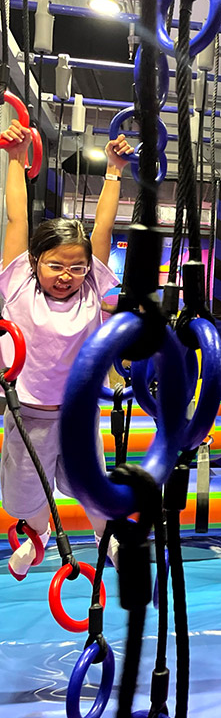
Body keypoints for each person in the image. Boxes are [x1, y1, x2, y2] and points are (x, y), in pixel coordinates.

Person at [0, 117, 133, 579]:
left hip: (77, 414)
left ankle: (107, 539)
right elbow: (17, 218)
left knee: (91, 487)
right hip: (29, 415)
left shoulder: (91, 288)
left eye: (76, 268)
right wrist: (15, 159)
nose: (67, 276)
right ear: (36, 262)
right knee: (28, 493)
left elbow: (103, 226)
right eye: (56, 266)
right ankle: (35, 540)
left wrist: (114, 169)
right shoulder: (19, 284)